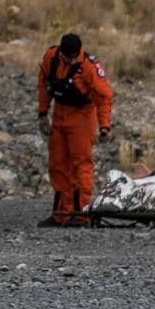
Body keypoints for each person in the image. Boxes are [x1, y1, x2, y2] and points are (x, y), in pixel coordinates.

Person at [36, 33, 114, 227]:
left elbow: (104, 97)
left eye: (73, 57)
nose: (71, 61)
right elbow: (44, 85)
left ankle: (81, 214)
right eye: (67, 58)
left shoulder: (88, 66)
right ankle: (61, 214)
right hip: (60, 115)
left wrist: (104, 125)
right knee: (57, 164)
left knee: (80, 164)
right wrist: (42, 113)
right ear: (61, 53)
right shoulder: (51, 58)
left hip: (82, 117)